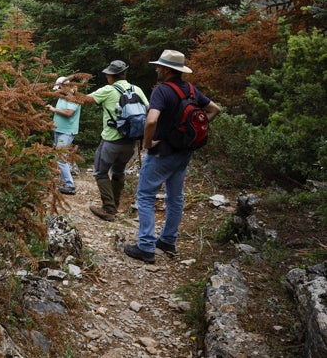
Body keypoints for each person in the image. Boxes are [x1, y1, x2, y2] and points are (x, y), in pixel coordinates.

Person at [124, 50, 221, 264]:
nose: (157, 69)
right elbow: (214, 109)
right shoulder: (192, 90)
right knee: (175, 197)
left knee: (146, 196)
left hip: (162, 153)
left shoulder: (162, 91)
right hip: (183, 153)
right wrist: (189, 134)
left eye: (159, 66)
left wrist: (148, 144)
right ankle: (167, 241)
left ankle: (146, 246)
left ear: (167, 69)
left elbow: (151, 121)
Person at [80, 60, 149, 222]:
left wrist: (70, 92)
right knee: (119, 172)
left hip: (111, 140)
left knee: (100, 172)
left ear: (112, 76)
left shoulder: (108, 90)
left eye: (107, 75)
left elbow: (85, 100)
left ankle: (109, 209)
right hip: (130, 141)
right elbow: (147, 109)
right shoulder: (136, 89)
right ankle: (115, 205)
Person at [46, 76, 81, 195]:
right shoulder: (63, 96)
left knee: (60, 158)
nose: (58, 90)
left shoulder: (73, 98)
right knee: (58, 156)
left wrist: (53, 110)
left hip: (67, 132)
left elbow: (69, 113)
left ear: (65, 86)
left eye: (60, 87)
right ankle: (64, 181)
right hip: (58, 130)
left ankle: (70, 186)